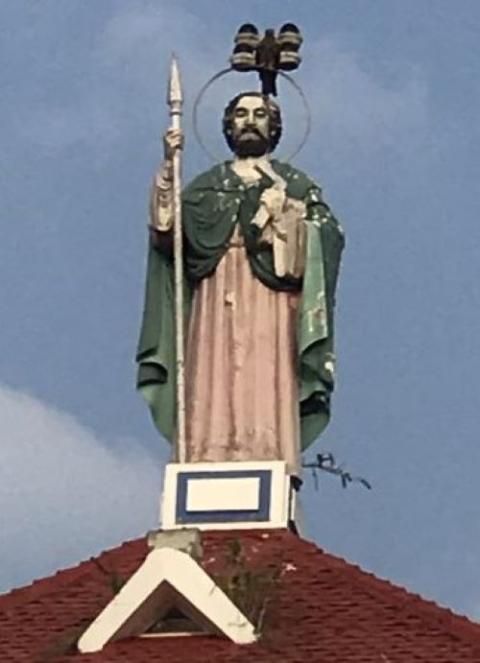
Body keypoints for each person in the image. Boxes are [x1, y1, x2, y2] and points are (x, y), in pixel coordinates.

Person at [136, 92, 344, 476]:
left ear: (274, 127)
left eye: (260, 114)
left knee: (264, 368)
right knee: (215, 369)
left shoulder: (296, 184)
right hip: (216, 292)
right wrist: (169, 167)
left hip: (270, 300)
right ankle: (204, 450)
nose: (250, 121)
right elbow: (167, 233)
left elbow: (325, 237)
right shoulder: (205, 187)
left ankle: (267, 447)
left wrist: (288, 220)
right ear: (228, 125)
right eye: (241, 114)